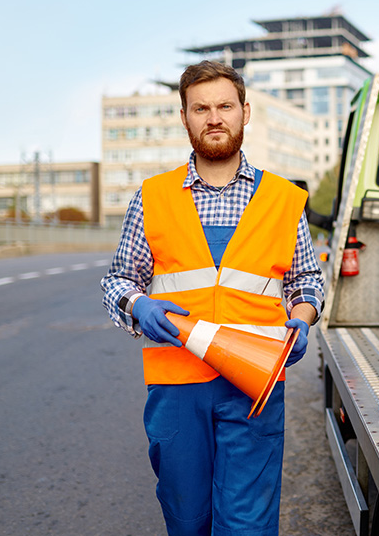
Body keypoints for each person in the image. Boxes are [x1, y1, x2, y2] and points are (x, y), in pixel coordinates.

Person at [100, 60, 324, 536]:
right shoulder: (152, 197)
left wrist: (302, 319)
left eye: (224, 105)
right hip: (178, 389)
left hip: (255, 385)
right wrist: (138, 306)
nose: (214, 117)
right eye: (200, 108)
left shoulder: (284, 200)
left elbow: (306, 280)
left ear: (245, 112)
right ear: (185, 117)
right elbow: (119, 280)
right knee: (187, 520)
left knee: (248, 524)